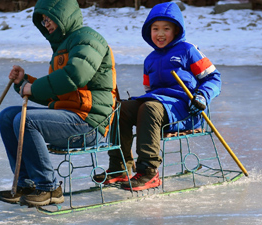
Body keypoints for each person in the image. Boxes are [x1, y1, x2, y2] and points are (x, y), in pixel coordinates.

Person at [0, 0, 117, 207]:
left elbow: (75, 75)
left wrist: (33, 88)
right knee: (7, 116)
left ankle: (49, 187)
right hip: (70, 117)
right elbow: (57, 93)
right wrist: (24, 83)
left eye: (49, 17)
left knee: (26, 122)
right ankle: (27, 184)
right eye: (42, 21)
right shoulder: (63, 47)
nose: (46, 24)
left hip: (90, 123)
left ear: (64, 13)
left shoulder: (88, 39)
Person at [94, 2, 221, 191]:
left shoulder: (188, 50)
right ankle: (119, 168)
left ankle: (148, 172)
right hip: (159, 106)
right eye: (155, 29)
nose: (160, 34)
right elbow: (148, 89)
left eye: (166, 28)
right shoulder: (150, 59)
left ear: (176, 30)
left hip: (186, 108)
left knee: (150, 107)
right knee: (120, 108)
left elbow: (213, 78)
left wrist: (202, 97)